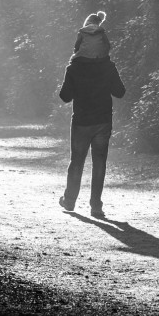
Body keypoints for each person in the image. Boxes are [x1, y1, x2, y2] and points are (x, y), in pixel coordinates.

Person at [57, 49, 126, 219]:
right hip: (102, 121)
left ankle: (70, 200)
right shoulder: (108, 67)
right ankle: (96, 206)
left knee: (77, 161)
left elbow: (65, 96)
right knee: (100, 163)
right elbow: (120, 92)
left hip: (81, 121)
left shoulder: (73, 67)